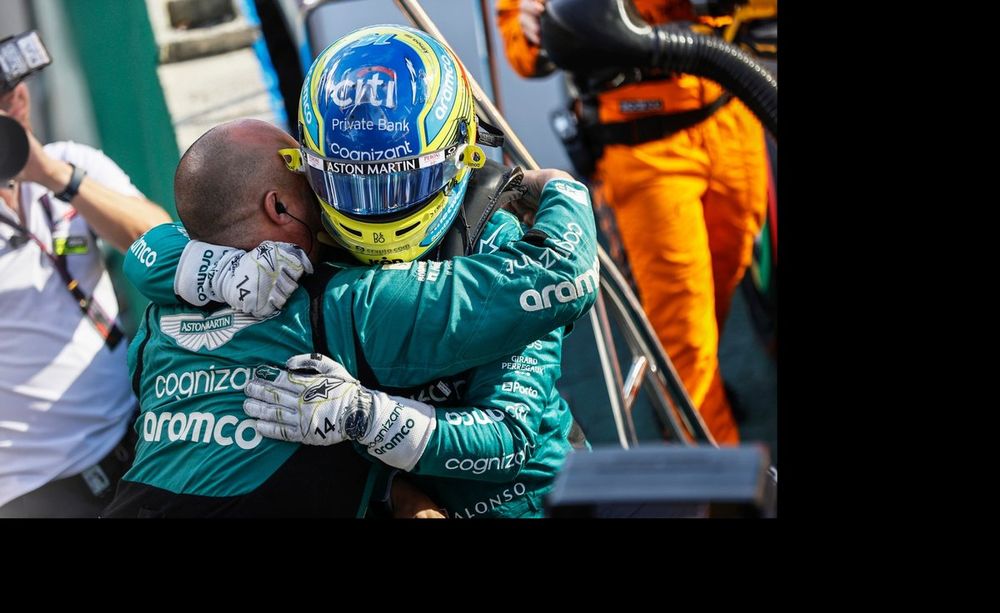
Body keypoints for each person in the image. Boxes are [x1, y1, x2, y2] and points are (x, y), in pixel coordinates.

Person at [116, 24, 598, 518]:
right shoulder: (298, 249)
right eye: (349, 185)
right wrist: (217, 268)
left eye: (400, 182)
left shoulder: (493, 239)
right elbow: (179, 231)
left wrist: (368, 418)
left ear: (460, 158)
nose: (376, 211)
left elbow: (508, 439)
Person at [497, 0, 769, 444]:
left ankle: (685, 394)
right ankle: (725, 483)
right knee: (684, 331)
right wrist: (538, 30)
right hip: (643, 145)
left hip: (731, 108)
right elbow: (523, 42)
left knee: (727, 276)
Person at [0, 79, 171, 518]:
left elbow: (158, 242)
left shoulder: (68, 161)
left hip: (137, 435)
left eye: (15, 86)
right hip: (34, 487)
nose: (15, 99)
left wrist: (56, 178)